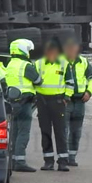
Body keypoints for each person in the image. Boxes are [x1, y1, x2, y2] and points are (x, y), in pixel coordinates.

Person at [2, 39, 39, 173]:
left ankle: (12, 160)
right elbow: (38, 80)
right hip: (25, 103)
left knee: (14, 132)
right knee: (24, 132)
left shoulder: (11, 63)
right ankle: (20, 161)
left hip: (13, 103)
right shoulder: (26, 65)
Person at [34, 39, 71, 172]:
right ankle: (48, 161)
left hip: (58, 101)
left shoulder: (64, 64)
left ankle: (63, 161)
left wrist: (67, 97)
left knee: (60, 132)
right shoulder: (38, 64)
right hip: (42, 102)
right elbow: (33, 81)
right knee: (45, 132)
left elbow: (70, 82)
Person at [63, 37, 92, 166]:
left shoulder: (83, 62)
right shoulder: (61, 62)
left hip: (79, 102)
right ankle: (63, 157)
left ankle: (72, 157)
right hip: (66, 102)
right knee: (64, 131)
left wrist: (89, 92)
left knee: (76, 131)